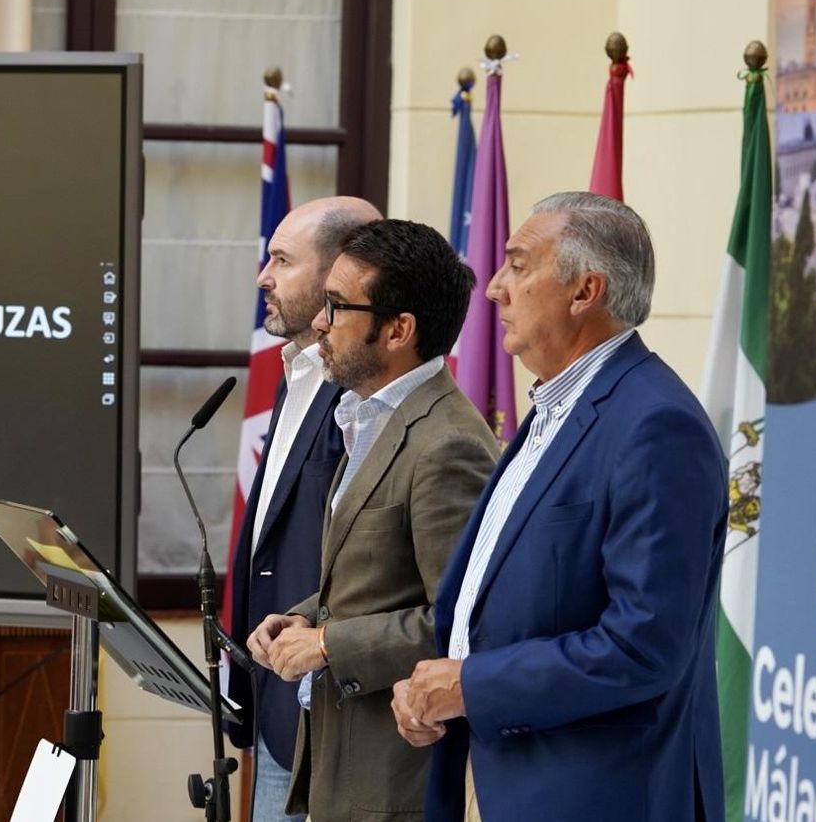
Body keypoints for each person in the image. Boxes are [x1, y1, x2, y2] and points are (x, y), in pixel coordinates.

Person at [392, 192, 728, 822]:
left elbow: (641, 645)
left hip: (600, 793)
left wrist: (469, 686)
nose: (493, 288)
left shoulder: (655, 424)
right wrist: (435, 687)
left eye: (518, 265)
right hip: (499, 772)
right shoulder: (556, 406)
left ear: (585, 291)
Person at [247, 219, 498, 822]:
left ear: (398, 329)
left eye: (337, 306)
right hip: (338, 762)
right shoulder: (366, 415)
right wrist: (302, 618)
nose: (320, 323)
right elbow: (376, 579)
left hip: (394, 781)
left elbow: (461, 626)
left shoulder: (448, 445)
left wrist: (329, 643)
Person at [227, 196, 381, 821]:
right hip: (273, 701)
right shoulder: (295, 373)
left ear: (337, 275)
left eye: (283, 261)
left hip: (328, 716)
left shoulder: (361, 395)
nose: (264, 276)